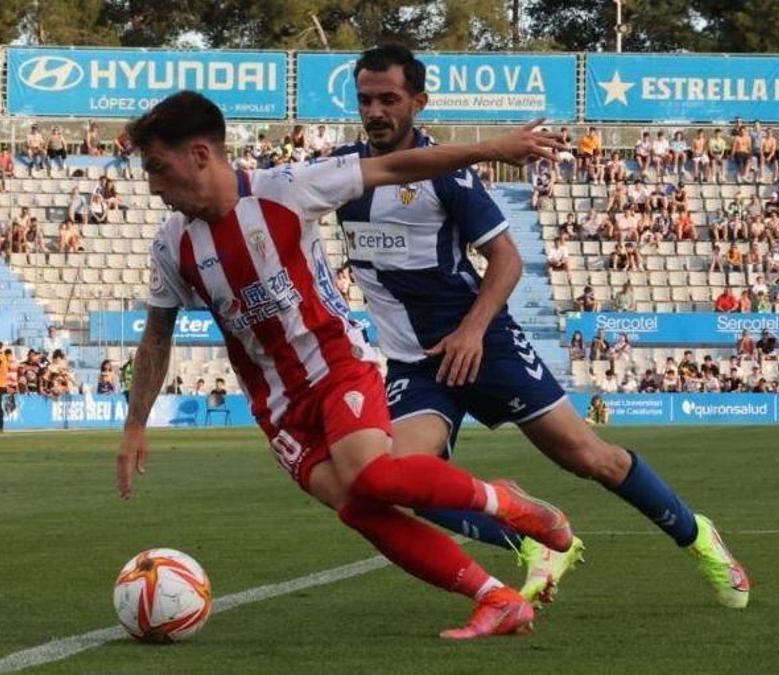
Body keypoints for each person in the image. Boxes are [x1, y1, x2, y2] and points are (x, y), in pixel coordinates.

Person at [118, 89, 574, 639]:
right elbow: (156, 334)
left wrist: (492, 147)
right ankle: (496, 598)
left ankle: (507, 503)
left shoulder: (286, 189)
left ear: (199, 155)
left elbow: (399, 165)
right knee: (358, 507)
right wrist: (136, 423)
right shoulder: (173, 246)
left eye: (158, 169)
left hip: (337, 365)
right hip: (279, 407)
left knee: (374, 475)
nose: (153, 186)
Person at [331, 44, 748, 611]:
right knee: (399, 481)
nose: (375, 111)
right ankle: (534, 537)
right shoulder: (341, 174)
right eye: (365, 100)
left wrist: (474, 330)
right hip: (415, 361)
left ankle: (698, 536)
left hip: (483, 345)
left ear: (419, 103)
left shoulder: (449, 176)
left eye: (389, 99)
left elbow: (507, 259)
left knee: (590, 458)